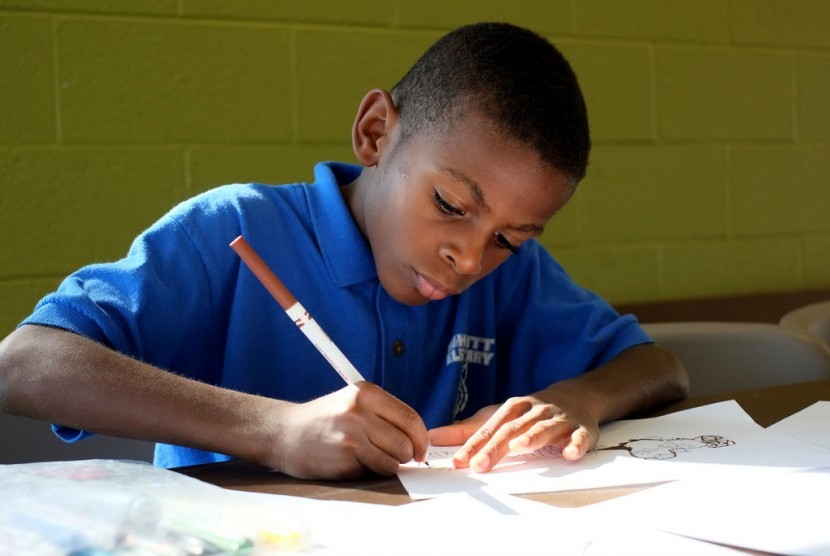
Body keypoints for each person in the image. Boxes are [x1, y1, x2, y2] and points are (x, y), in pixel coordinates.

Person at [0, 22, 688, 480]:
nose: (472, 260)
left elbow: (658, 367)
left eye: (509, 238)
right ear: (375, 132)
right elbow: (24, 364)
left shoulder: (513, 279)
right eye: (451, 205)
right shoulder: (234, 230)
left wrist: (577, 398)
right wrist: (275, 430)